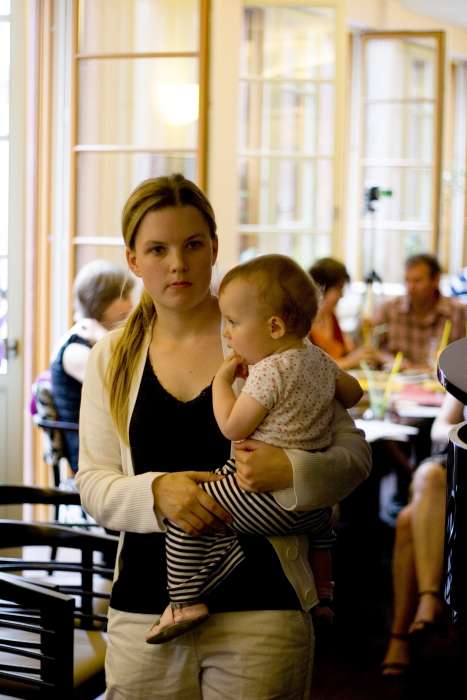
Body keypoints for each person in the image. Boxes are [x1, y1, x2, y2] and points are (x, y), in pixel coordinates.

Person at [76, 174, 372, 699]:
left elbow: (355, 455)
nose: (178, 264)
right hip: (147, 613)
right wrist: (155, 493)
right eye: (157, 249)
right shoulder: (112, 357)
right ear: (132, 259)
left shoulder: (267, 335)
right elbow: (93, 483)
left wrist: (295, 471)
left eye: (192, 245)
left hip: (264, 608)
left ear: (214, 247)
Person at [147, 254, 363, 644]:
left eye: (233, 322)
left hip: (266, 498)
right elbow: (354, 393)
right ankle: (324, 594)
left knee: (188, 511)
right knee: (320, 533)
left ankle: (183, 601)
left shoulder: (269, 371)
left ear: (274, 326)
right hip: (314, 510)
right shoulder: (317, 358)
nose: (227, 332)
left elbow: (232, 426)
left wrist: (220, 384)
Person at [381, 392, 464, 677]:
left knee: (406, 520)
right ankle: (429, 597)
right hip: (459, 465)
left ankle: (400, 636)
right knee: (428, 475)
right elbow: (441, 425)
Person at [50, 259, 134, 473]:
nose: (131, 305)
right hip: (91, 455)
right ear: (100, 301)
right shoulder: (75, 350)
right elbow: (123, 389)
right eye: (123, 296)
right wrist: (104, 338)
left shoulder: (91, 339)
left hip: (107, 444)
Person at [372, 253, 466, 371]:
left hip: (440, 384)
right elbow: (372, 350)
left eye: (417, 281)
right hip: (395, 381)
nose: (410, 287)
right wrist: (392, 361)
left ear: (436, 279)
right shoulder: (388, 309)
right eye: (407, 280)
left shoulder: (459, 313)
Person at [308, 257, 380, 369]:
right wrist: (351, 361)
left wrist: (361, 332)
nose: (341, 295)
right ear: (321, 288)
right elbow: (313, 368)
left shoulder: (330, 317)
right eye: (338, 289)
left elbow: (348, 351)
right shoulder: (303, 325)